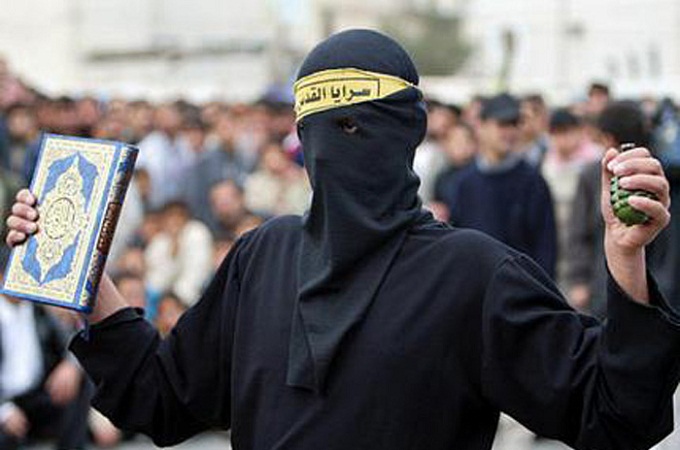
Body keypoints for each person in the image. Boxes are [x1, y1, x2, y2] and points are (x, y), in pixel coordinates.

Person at [5, 30, 679, 450]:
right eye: (323, 131)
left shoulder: (473, 274)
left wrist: (625, 258)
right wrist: (79, 267)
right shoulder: (263, 257)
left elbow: (613, 416)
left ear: (408, 132)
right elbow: (163, 397)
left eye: (359, 127)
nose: (338, 149)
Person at [447, 93, 557, 278]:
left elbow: (545, 246)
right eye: (502, 124)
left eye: (514, 124)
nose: (510, 132)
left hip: (521, 285)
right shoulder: (464, 182)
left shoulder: (532, 181)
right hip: (474, 284)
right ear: (481, 126)